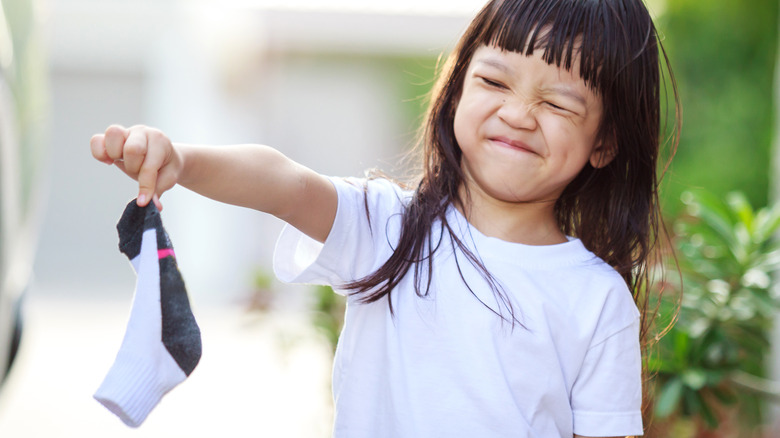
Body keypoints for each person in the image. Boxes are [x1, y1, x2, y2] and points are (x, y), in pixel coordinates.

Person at [90, 0, 679, 436]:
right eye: (494, 80)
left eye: (556, 103)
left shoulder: (596, 298)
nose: (518, 114)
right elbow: (285, 182)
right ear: (456, 90)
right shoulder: (385, 225)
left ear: (605, 143)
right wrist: (184, 161)